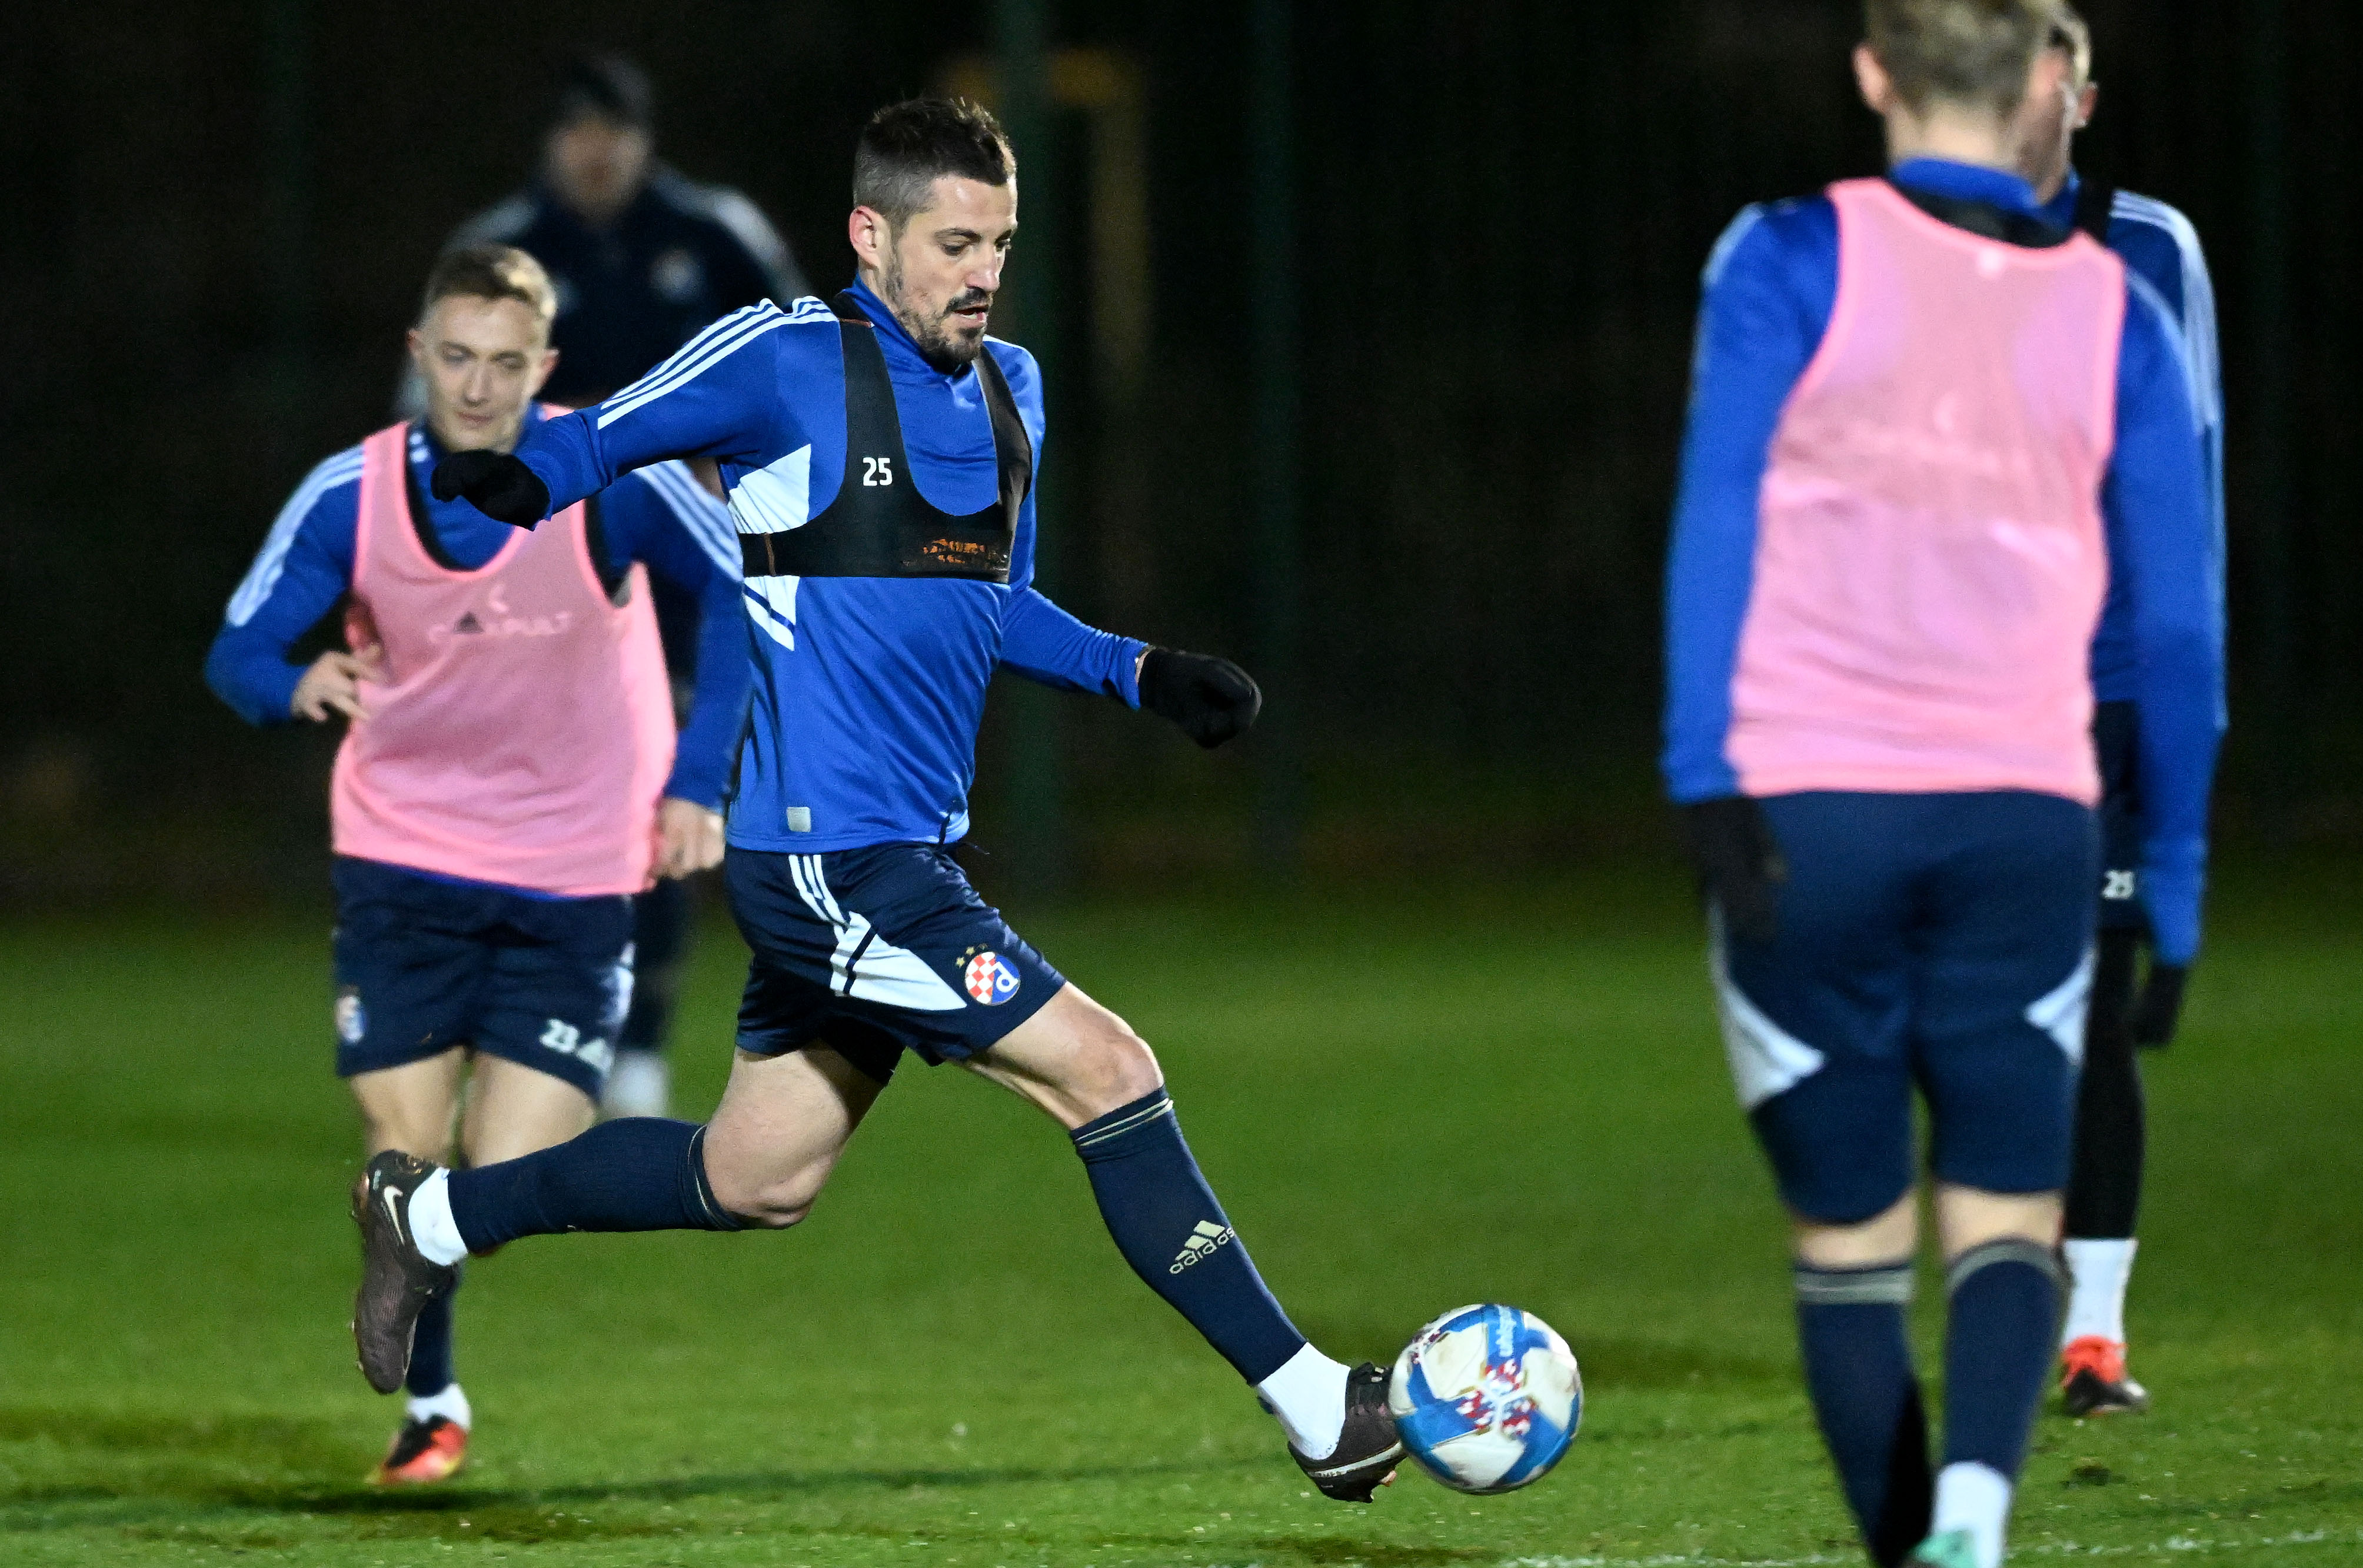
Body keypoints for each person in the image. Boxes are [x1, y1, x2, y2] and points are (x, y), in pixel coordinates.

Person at [350, 97, 1407, 1503]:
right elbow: (599, 439)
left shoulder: (1012, 389)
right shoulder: (785, 359)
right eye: (954, 244)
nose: (983, 273)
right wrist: (510, 482)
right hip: (826, 863)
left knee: (754, 1178)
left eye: (1001, 244)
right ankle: (1319, 1404)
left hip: (904, 852)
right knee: (1107, 1070)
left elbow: (989, 601)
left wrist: (1141, 672)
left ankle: (431, 1215)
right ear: (870, 234)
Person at [1660, 1, 2222, 1563]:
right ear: (2045, 80)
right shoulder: (2117, 306)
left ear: (1872, 72)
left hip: (1809, 811)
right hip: (2026, 817)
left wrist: (1703, 779)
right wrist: (2174, 874)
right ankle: (1972, 1510)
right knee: (2003, 1217)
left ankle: (1921, 1537)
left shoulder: (1781, 254)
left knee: (1850, 1247)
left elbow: (1714, 521)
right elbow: (2183, 626)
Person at [206, 245, 752, 1484]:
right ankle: (433, 1401)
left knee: (496, 1187)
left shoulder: (610, 476)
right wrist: (292, 680)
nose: (476, 385)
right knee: (401, 1152)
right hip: (404, 863)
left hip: (576, 874)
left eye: (505, 363)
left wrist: (698, 780)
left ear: (543, 367)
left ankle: (431, 1321)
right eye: (455, 357)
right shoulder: (350, 496)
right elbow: (234, 652)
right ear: (419, 355)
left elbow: (737, 590)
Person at [432, 53, 809, 1117]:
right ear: (550, 141)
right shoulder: (504, 250)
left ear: (645, 139)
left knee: (655, 791)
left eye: (615, 128)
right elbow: (434, 410)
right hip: (536, 573)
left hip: (680, 574)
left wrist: (729, 457)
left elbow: (809, 371)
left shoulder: (714, 234)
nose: (596, 150)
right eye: (577, 128)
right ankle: (518, 1032)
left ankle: (635, 1044)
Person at [2013, 2, 2226, 1419]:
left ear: (2084, 102)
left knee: (2090, 1006)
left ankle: (2090, 1337)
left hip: (2095, 700)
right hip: (1944, 711)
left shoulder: (2147, 249)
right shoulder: (1896, 255)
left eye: (2055, 77)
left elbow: (2185, 491)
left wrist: (2178, 718)